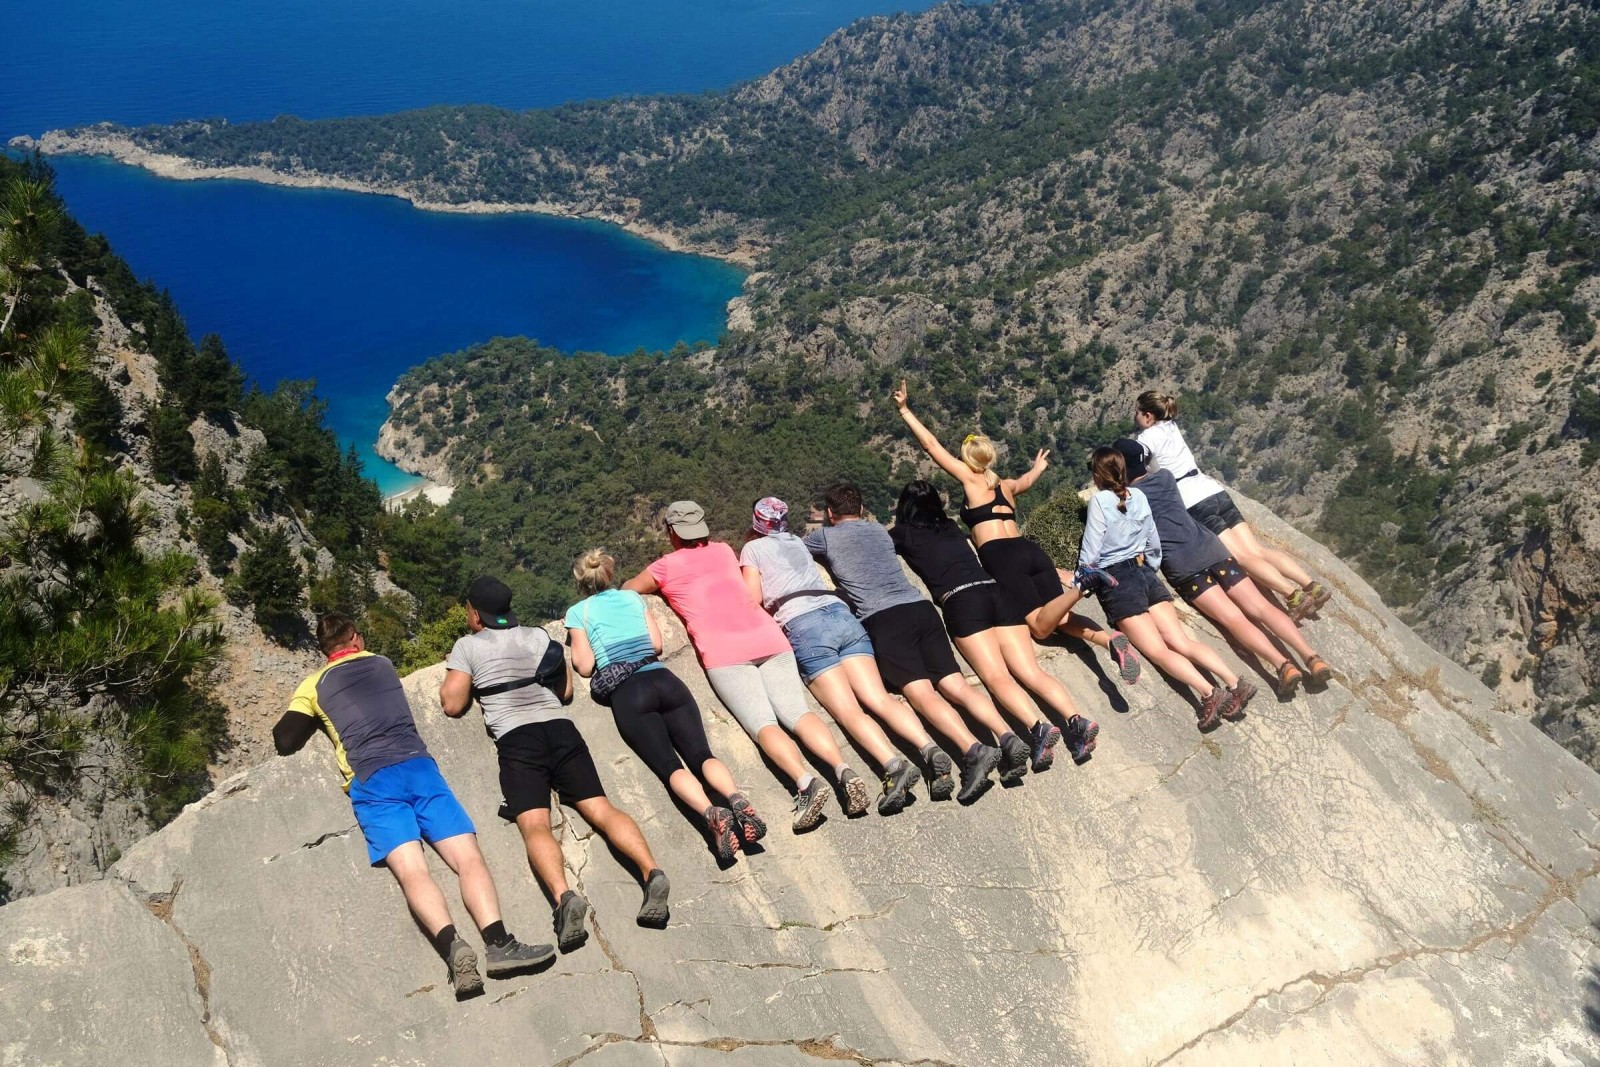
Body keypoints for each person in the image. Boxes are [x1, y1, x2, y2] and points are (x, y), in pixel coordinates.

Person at [274, 612, 553, 1000]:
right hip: (418, 767)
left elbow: (285, 741)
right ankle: (498, 943)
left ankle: (454, 948)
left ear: (324, 651)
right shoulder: (382, 663)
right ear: (356, 637)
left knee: (412, 871)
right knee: (468, 858)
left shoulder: (313, 684)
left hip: (373, 781)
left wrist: (312, 711)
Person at [439, 576, 670, 957]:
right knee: (600, 808)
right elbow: (564, 693)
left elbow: (452, 704)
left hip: (517, 740)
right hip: (561, 730)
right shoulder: (537, 638)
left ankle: (564, 899)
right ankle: (651, 872)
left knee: (534, 824)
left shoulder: (467, 646)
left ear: (475, 614)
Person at [623, 500, 866, 830]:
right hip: (770, 638)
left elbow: (627, 592)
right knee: (798, 713)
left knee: (764, 724)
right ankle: (843, 770)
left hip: (726, 652)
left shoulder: (664, 566)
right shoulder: (724, 551)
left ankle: (806, 783)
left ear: (671, 532)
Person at [893, 379, 1143, 685]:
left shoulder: (971, 481)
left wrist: (905, 411)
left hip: (1002, 557)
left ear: (967, 460)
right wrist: (1038, 468)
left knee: (1039, 627)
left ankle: (1082, 585)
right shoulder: (1006, 485)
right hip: (1030, 550)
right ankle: (1109, 640)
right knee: (1060, 618)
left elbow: (931, 446)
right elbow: (1027, 480)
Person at [804, 482, 1022, 802]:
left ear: (828, 513)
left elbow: (797, 549)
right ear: (863, 510)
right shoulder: (879, 531)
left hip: (885, 620)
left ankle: (972, 749)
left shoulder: (825, 536)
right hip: (921, 609)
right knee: (956, 684)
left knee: (921, 693)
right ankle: (1008, 736)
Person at [740, 496, 950, 813]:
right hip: (841, 615)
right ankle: (929, 748)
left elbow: (753, 598)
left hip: (805, 625)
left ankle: (893, 766)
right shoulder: (798, 541)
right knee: (878, 697)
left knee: (849, 711)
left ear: (757, 522)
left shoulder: (752, 549)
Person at [565, 548, 766, 862]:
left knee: (670, 766)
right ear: (609, 572)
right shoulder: (633, 598)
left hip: (630, 695)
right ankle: (736, 798)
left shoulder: (579, 612)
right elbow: (657, 645)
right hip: (666, 681)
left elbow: (585, 665)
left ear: (581, 581)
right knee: (702, 755)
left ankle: (711, 813)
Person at [890, 480, 1099, 764]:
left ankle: (1039, 729)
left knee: (997, 677)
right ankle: (1076, 721)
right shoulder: (951, 527)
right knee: (1030, 671)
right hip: (996, 592)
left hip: (963, 601)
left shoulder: (902, 534)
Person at [1110, 438, 1336, 699]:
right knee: (1262, 607)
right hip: (1212, 548)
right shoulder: (1166, 477)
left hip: (1184, 566)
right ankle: (1312, 658)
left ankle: (1282, 666)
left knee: (1234, 619)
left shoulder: (1127, 499)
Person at [1081, 449, 1257, 732]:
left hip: (1118, 580)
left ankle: (1209, 693)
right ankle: (1234, 682)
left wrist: (1081, 579)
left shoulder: (1099, 501)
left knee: (1158, 650)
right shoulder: (1137, 496)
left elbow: (1090, 552)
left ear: (1097, 474)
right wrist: (1147, 567)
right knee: (1181, 641)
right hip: (1145, 572)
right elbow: (1152, 540)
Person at [1133, 390, 1333, 620]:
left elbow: (1139, 469)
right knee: (1257, 550)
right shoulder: (1172, 426)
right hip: (1213, 490)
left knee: (1242, 557)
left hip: (1193, 500)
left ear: (1147, 416)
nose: (1136, 417)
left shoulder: (1145, 440)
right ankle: (1311, 586)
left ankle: (1293, 596)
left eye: (1138, 413)